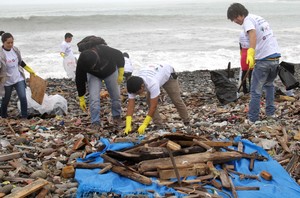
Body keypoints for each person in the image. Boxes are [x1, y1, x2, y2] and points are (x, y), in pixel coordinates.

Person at [227, 3, 281, 124]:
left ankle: (253, 119)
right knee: (269, 85)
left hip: (264, 59)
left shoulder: (248, 21)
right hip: (275, 56)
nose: (235, 21)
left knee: (255, 90)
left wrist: (251, 52)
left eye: (234, 18)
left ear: (239, 14)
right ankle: (270, 113)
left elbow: (252, 34)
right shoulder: (258, 18)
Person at [125, 63, 189, 135]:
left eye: (137, 93)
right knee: (149, 101)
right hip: (156, 74)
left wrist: (144, 125)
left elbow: (153, 106)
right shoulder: (132, 85)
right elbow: (130, 106)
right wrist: (128, 125)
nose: (137, 95)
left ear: (142, 86)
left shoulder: (152, 83)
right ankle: (159, 125)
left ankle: (186, 120)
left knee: (176, 100)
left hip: (169, 76)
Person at [76, 42, 124, 130]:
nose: (93, 67)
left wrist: (121, 70)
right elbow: (79, 78)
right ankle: (95, 122)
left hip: (110, 71)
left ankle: (117, 116)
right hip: (94, 75)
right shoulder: (82, 61)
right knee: (94, 99)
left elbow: (119, 54)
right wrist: (81, 96)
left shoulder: (104, 49)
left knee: (116, 96)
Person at [0, 32, 36, 118]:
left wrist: (30, 70)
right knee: (5, 100)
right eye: (8, 43)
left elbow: (20, 62)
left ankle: (24, 116)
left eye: (12, 42)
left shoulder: (15, 50)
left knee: (23, 97)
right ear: (3, 42)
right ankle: (3, 116)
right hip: (7, 81)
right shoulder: (1, 54)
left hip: (18, 78)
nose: (10, 44)